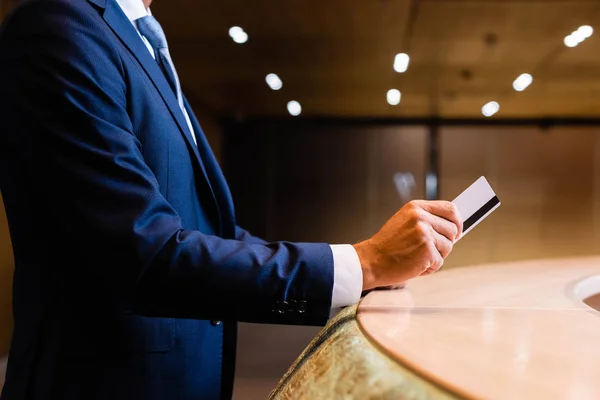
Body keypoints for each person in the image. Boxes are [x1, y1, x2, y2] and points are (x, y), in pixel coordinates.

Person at [0, 0, 462, 398]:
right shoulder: (60, 29)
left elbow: (210, 232)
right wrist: (361, 263)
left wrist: (359, 270)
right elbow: (147, 254)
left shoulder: (138, 37)